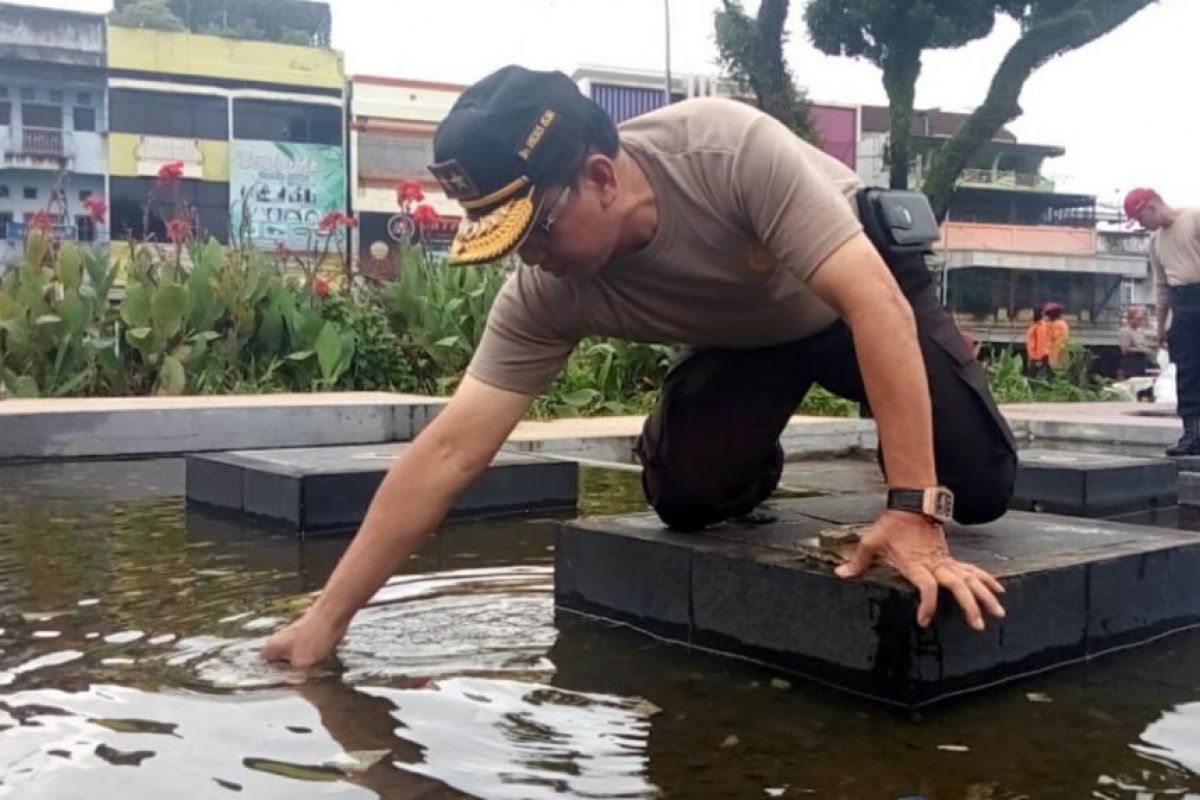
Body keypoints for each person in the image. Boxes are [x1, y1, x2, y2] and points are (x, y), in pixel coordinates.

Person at [263, 66, 1017, 669]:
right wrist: (324, 621)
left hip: (860, 291)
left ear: (600, 176)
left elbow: (875, 303)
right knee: (688, 496)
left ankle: (918, 459)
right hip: (747, 338)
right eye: (508, 241)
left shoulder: (724, 151)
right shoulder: (546, 291)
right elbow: (451, 449)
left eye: (538, 231)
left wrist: (914, 513)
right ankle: (752, 443)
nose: (531, 258)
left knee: (976, 489)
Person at [1126, 187, 1200, 455]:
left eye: (1140, 218)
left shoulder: (1193, 218)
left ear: (1151, 207)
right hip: (1182, 304)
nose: (1142, 225)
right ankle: (1192, 433)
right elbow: (1162, 287)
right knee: (1188, 371)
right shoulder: (1155, 242)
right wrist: (1161, 327)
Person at [1118, 306, 1155, 379]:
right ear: (1131, 319)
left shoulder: (1140, 331)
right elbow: (1125, 349)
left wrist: (1147, 350)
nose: (1140, 321)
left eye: (1141, 319)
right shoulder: (1125, 331)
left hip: (1142, 361)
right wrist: (1141, 350)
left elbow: (1143, 344)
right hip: (1131, 361)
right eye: (1138, 319)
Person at [1043, 302, 1070, 368]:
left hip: (1056, 358)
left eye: (1048, 314)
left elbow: (1050, 341)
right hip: (1058, 356)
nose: (1047, 316)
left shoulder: (1057, 325)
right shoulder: (1061, 323)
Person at [1024, 307, 1048, 375]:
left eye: (1031, 312)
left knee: (1034, 379)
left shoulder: (1040, 326)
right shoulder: (1035, 325)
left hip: (1038, 358)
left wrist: (1039, 359)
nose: (1029, 314)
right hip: (1033, 356)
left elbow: (1041, 343)